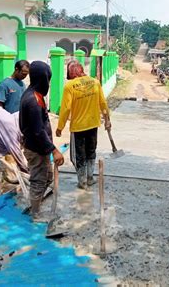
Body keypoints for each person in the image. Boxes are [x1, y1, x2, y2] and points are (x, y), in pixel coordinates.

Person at [19, 61, 64, 222]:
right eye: (48, 79)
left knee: (47, 178)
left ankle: (35, 203)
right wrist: (55, 150)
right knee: (38, 180)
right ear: (42, 78)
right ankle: (35, 214)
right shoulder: (32, 101)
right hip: (36, 149)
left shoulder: (35, 94)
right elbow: (38, 131)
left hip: (40, 147)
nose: (49, 83)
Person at [56, 60, 111, 190]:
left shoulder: (69, 86)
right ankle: (90, 178)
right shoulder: (95, 82)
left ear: (71, 74)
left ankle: (82, 181)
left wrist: (60, 127)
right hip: (93, 125)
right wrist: (107, 119)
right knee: (91, 151)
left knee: (78, 155)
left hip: (78, 127)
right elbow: (103, 103)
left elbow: (65, 109)